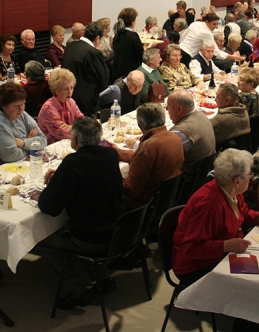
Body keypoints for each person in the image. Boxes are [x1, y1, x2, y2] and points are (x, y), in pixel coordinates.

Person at [37, 118, 125, 309]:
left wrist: (56, 182)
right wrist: (61, 177)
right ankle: (102, 279)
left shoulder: (73, 162)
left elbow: (49, 207)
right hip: (117, 231)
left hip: (89, 237)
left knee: (40, 239)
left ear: (75, 140)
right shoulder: (110, 154)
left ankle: (75, 289)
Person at [172, 149, 259, 287]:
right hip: (195, 266)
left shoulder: (231, 190)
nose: (252, 178)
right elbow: (191, 249)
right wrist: (226, 246)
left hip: (221, 255)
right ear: (237, 181)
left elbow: (241, 212)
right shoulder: (208, 206)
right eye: (250, 174)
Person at [121, 103, 184, 208]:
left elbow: (130, 190)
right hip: (167, 199)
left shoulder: (147, 149)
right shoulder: (175, 137)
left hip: (144, 206)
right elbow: (144, 161)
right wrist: (118, 152)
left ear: (140, 125)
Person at [0, 82, 46, 166]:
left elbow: (43, 140)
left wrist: (23, 143)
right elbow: (12, 156)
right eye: (16, 105)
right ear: (3, 105)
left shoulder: (22, 115)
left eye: (23, 104)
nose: (21, 109)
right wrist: (31, 144)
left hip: (18, 164)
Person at [62, 21, 111, 116]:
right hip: (87, 101)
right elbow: (104, 79)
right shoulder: (93, 53)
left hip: (68, 96)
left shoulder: (72, 45)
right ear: (97, 38)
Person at [167, 90, 216, 173]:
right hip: (204, 172)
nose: (166, 108)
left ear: (179, 109)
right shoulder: (202, 115)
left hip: (188, 179)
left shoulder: (181, 132)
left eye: (168, 106)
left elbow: (162, 155)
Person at [38, 69, 84, 144]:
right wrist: (75, 126)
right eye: (66, 89)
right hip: (51, 146)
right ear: (56, 90)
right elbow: (62, 133)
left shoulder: (71, 101)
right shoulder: (48, 108)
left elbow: (82, 121)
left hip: (69, 142)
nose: (70, 91)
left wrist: (71, 126)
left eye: (71, 88)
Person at [209, 83, 250, 149]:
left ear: (227, 100)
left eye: (218, 96)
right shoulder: (244, 112)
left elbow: (205, 130)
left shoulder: (221, 120)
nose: (215, 99)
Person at [111, 8, 143, 81]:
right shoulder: (133, 35)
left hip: (118, 70)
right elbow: (139, 54)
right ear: (132, 22)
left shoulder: (117, 35)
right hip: (130, 71)